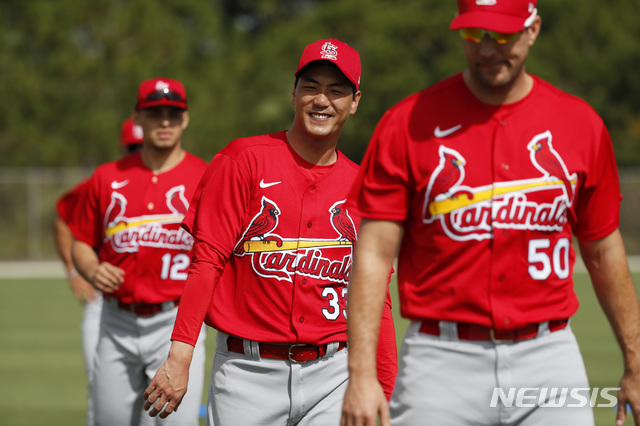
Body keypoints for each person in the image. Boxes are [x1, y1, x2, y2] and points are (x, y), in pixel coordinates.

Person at [341, 1, 640, 425]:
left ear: (533, 29)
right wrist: (361, 375)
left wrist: (636, 361)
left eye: (502, 35)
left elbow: (604, 252)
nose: (485, 49)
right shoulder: (406, 122)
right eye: (473, 34)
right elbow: (372, 255)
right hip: (440, 359)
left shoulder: (580, 124)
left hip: (547, 354)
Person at [142, 38, 398, 425]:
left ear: (355, 100)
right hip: (247, 374)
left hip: (334, 374)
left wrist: (385, 385)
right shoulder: (242, 161)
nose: (321, 101)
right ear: (293, 92)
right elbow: (206, 263)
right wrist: (180, 357)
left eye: (336, 90)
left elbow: (376, 297)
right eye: (311, 87)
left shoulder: (363, 186)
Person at [70, 77, 208, 426]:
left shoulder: (205, 176)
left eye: (173, 114)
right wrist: (90, 268)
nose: (164, 122)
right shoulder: (107, 176)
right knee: (110, 421)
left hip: (175, 323)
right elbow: (82, 242)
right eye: (155, 113)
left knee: (176, 422)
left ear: (185, 119)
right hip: (117, 322)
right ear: (138, 119)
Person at [53, 117, 143, 426]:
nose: (138, 151)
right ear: (123, 147)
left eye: (142, 146)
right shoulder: (106, 180)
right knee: (103, 393)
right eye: (133, 146)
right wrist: (74, 270)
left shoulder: (176, 180)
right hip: (107, 303)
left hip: (161, 306)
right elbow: (64, 216)